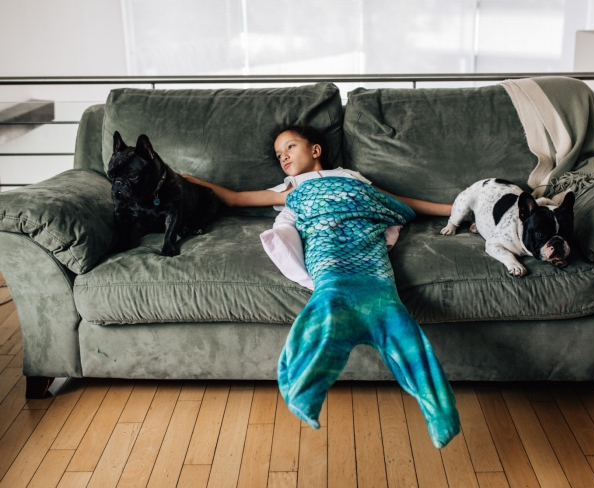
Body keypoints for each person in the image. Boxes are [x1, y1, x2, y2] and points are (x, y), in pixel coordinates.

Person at [184, 125, 461, 448]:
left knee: (392, 312)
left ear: (315, 150)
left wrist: (456, 211)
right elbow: (234, 199)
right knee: (331, 300)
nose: (283, 157)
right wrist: (191, 181)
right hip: (327, 243)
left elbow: (393, 201)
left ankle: (441, 415)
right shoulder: (290, 188)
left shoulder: (351, 176)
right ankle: (304, 391)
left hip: (365, 243)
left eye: (289, 147)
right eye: (278, 155)